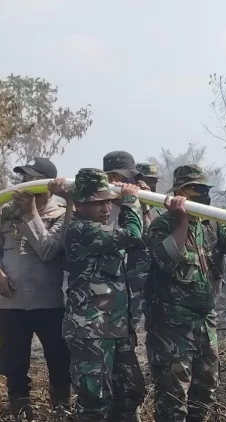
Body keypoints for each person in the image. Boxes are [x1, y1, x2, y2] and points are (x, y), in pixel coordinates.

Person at [145, 164, 226, 422]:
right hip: (171, 325)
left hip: (205, 322)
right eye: (194, 189)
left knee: (205, 390)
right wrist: (183, 220)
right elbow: (167, 260)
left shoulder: (213, 224)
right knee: (173, 397)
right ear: (179, 191)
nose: (202, 194)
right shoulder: (161, 225)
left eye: (205, 189)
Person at [0, 157, 71, 422]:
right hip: (11, 304)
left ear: (46, 184)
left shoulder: (62, 214)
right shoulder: (7, 212)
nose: (24, 183)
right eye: (23, 178)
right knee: (15, 363)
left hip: (48, 303)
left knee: (58, 361)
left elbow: (48, 251)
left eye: (32, 178)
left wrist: (32, 213)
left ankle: (61, 411)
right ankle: (21, 414)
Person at [60, 168, 146, 422]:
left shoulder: (101, 229)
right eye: (98, 203)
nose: (106, 208)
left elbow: (139, 241)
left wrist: (133, 202)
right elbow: (132, 234)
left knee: (130, 393)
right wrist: (130, 202)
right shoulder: (81, 230)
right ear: (80, 203)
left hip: (117, 329)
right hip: (90, 332)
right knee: (94, 402)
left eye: (109, 201)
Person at [102, 151, 151, 330]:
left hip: (132, 288)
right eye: (124, 179)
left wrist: (143, 206)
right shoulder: (98, 209)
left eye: (131, 180)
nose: (129, 185)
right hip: (102, 297)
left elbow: (146, 239)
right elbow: (129, 235)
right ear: (110, 178)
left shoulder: (133, 206)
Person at [136, 162, 162, 229]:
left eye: (155, 183)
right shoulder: (131, 206)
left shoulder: (156, 206)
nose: (153, 186)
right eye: (149, 182)